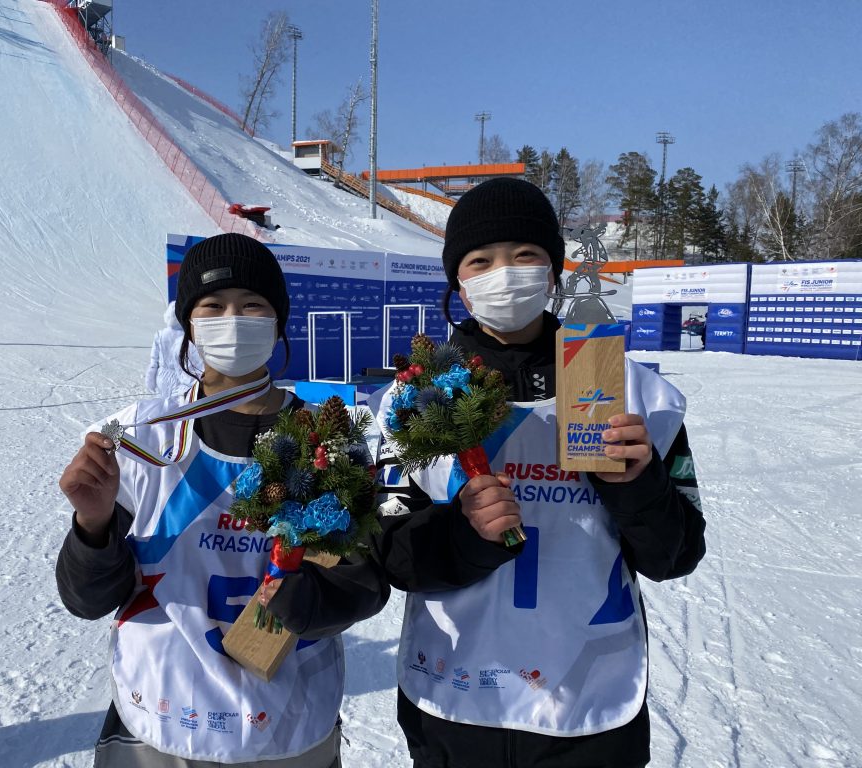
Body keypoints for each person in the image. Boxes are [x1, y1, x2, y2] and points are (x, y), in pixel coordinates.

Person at [371, 178, 706, 768]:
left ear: (553, 272)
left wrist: (638, 487)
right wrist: (465, 536)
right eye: (482, 260)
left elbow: (674, 555)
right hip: (456, 700)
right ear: (460, 281)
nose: (505, 272)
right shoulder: (412, 401)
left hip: (588, 703)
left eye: (525, 255)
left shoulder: (634, 393)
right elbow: (393, 555)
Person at [56, 233, 388, 767]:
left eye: (252, 305)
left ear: (278, 323)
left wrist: (303, 599)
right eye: (212, 306)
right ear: (188, 324)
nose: (232, 319)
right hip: (158, 726)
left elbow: (361, 585)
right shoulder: (140, 436)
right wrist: (92, 525)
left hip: (288, 731)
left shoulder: (326, 439)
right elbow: (87, 599)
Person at [145, 301, 202, 397]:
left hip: (162, 376)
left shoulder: (160, 334)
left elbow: (154, 361)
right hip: (181, 376)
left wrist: (150, 379)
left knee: (163, 403)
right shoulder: (186, 335)